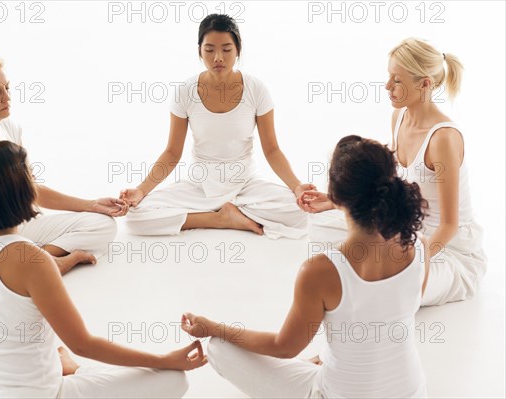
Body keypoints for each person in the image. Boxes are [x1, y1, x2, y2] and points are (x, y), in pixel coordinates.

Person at [182, 135, 430, 398]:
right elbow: (380, 316)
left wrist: (213, 327)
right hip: (411, 391)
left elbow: (284, 347)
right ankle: (320, 363)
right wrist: (340, 199)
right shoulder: (420, 247)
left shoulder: (321, 270)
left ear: (337, 193)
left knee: (220, 347)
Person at [0, 141, 206, 398]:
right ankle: (76, 371)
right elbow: (83, 344)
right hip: (36, 393)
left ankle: (67, 368)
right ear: (20, 190)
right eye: (31, 177)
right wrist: (165, 360)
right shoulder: (32, 260)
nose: (35, 184)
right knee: (174, 380)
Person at [302, 38, 487, 306]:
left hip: (449, 252)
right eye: (389, 76)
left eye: (397, 80)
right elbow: (390, 184)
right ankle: (380, 270)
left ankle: (384, 274)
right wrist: (337, 202)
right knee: (320, 225)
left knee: (398, 290)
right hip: (408, 229)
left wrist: (414, 262)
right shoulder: (399, 117)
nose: (388, 86)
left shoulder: (444, 139)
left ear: (424, 84)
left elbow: (449, 225)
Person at [0, 49, 126, 297]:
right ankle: (46, 264)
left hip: (16, 228)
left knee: (103, 225)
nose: (7, 97)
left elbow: (30, 190)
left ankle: (37, 263)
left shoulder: (10, 129)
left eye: (7, 88)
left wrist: (91, 205)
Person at [120, 14, 313, 239]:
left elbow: (272, 150)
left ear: (238, 50)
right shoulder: (185, 91)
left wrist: (297, 186)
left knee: (299, 212)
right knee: (136, 217)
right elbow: (172, 152)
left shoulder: (256, 89)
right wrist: (141, 191)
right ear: (199, 50)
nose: (218, 57)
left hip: (244, 183)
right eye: (210, 49)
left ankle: (231, 210)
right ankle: (220, 217)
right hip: (200, 183)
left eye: (227, 49)